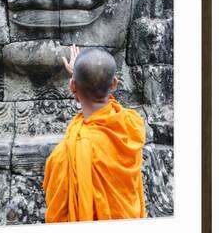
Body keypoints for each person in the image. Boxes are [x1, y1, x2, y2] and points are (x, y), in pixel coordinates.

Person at [43, 44, 146, 222]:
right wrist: (83, 77)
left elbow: (58, 220)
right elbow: (107, 102)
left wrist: (78, 77)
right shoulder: (132, 126)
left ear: (72, 87)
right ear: (114, 84)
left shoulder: (63, 156)